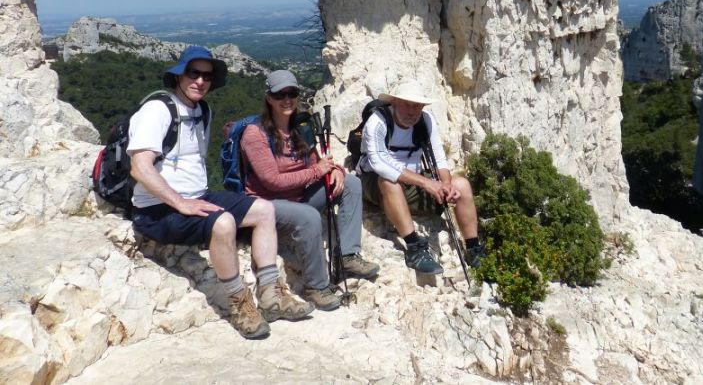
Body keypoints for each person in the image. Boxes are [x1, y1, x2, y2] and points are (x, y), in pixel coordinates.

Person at [128, 46, 311, 340]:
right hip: (156, 210)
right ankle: (239, 303)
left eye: (207, 76)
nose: (200, 81)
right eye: (193, 73)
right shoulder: (158, 110)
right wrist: (180, 202)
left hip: (196, 195)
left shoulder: (202, 111)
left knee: (264, 209)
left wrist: (190, 200)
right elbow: (140, 168)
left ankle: (270, 293)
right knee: (223, 222)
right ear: (179, 75)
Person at [240, 70, 380, 310]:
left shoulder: (300, 128)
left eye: (292, 93)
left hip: (297, 198)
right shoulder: (255, 134)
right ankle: (317, 286)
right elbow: (272, 181)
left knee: (352, 183)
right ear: (269, 98)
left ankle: (348, 255)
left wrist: (335, 170)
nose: (287, 99)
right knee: (309, 216)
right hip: (267, 205)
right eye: (280, 94)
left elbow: (319, 161)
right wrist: (318, 171)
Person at [358, 80, 485, 274]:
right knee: (388, 181)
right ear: (394, 102)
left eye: (416, 105)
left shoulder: (426, 121)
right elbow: (379, 163)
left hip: (413, 182)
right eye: (406, 104)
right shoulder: (377, 122)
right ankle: (414, 248)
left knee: (463, 185)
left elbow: (439, 159)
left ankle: (474, 249)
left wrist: (446, 185)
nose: (411, 111)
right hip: (376, 184)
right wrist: (427, 183)